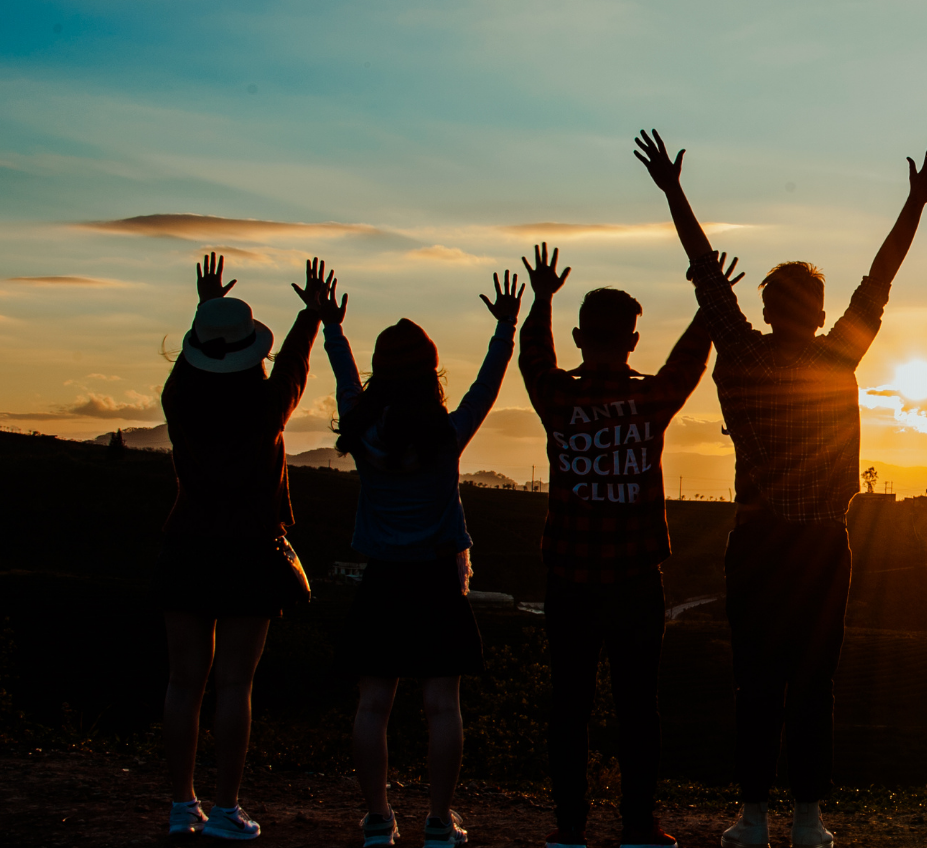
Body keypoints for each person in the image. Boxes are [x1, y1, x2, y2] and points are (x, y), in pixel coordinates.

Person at [652, 129, 927, 848]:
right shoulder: (837, 357)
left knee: (756, 681)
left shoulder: (743, 354)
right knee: (813, 685)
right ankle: (810, 820)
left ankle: (753, 819)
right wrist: (914, 202)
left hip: (758, 542)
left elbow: (703, 271)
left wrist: (673, 191)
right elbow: (879, 281)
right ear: (818, 312)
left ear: (765, 310)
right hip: (823, 544)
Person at [516, 241, 726, 848]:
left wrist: (541, 299)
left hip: (569, 578)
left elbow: (533, 356)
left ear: (581, 336)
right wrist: (707, 299)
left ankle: (569, 826)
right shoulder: (650, 399)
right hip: (635, 579)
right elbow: (691, 360)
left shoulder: (558, 399)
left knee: (570, 706)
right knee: (639, 707)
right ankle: (638, 825)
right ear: (633, 340)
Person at [325, 271, 524, 848]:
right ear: (429, 374)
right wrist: (505, 328)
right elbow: (486, 387)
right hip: (439, 579)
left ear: (381, 373)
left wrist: (332, 328)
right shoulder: (446, 433)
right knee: (442, 705)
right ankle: (439, 820)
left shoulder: (362, 433)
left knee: (373, 704)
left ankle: (378, 819)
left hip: (382, 579)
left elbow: (344, 379)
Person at [156, 253, 333, 840]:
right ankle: (227, 808)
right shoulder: (265, 408)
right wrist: (311, 313)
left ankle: (182, 805)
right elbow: (294, 369)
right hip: (250, 548)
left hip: (187, 542)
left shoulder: (178, 399)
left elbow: (196, 361)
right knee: (235, 683)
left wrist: (206, 308)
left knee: (184, 682)